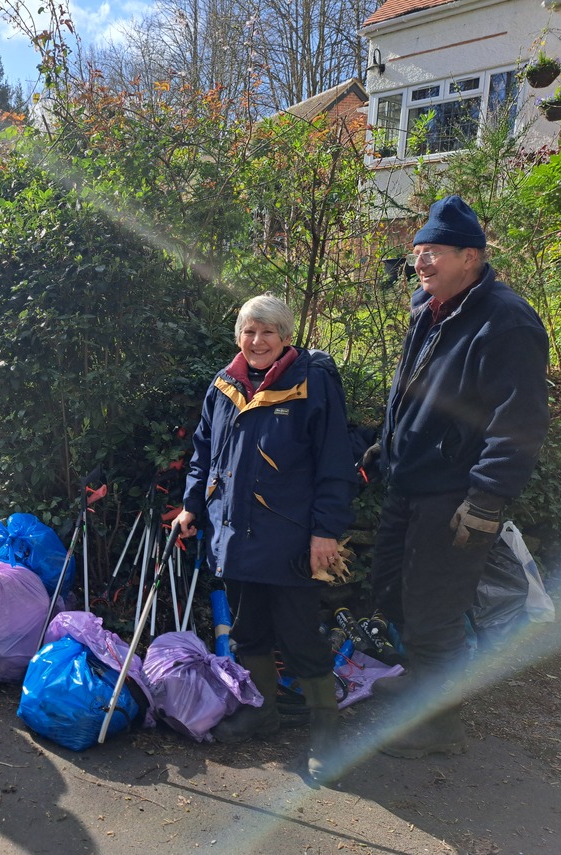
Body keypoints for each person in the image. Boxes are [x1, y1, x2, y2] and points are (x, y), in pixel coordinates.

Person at [367, 195, 549, 758]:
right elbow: (415, 395)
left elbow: (520, 418)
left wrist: (487, 498)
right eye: (418, 251)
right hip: (409, 481)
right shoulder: (430, 308)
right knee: (392, 588)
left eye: (435, 252)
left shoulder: (506, 321)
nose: (421, 262)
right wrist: (385, 445)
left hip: (454, 494)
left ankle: (439, 724)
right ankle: (422, 682)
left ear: (471, 256)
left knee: (435, 607)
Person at [174, 294, 356, 785]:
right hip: (233, 537)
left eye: (268, 332)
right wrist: (191, 506)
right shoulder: (224, 384)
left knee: (300, 638)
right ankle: (263, 713)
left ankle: (326, 735)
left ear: (286, 337)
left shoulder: (312, 384)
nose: (257, 341)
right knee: (248, 630)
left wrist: (325, 532)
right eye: (249, 331)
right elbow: (203, 453)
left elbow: (335, 463)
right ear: (239, 336)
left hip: (291, 540)